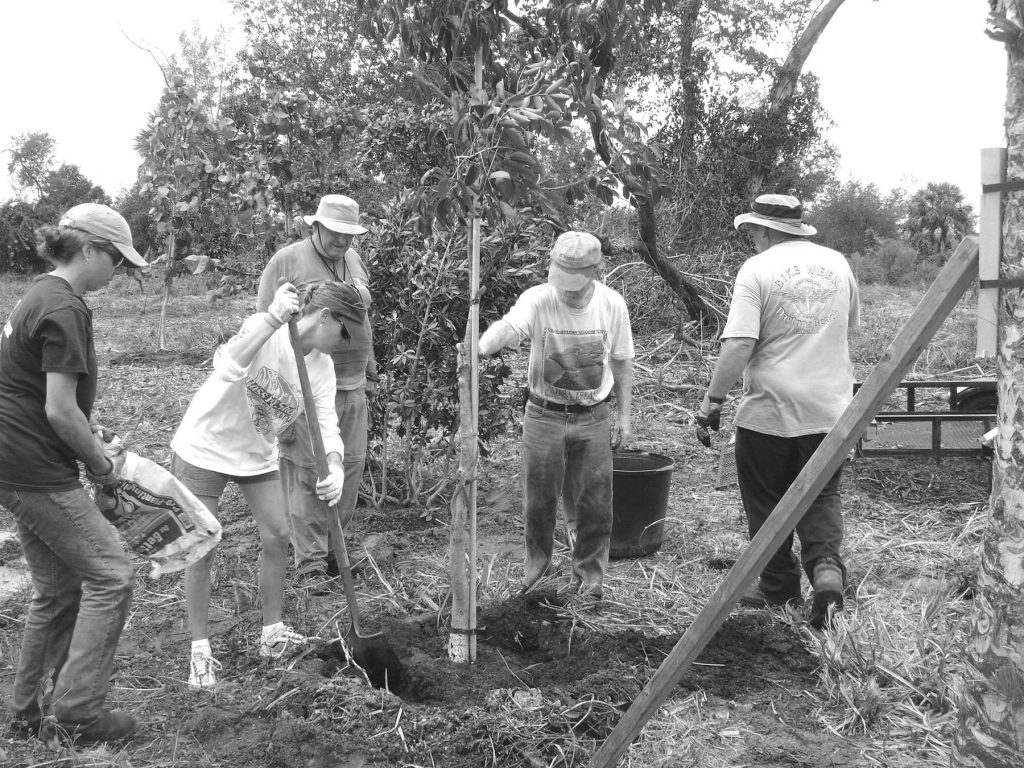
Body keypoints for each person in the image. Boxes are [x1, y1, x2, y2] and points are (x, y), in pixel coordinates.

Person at [0, 204, 149, 743]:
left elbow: (38, 393)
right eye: (115, 258)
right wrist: (103, 466)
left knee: (58, 591)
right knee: (112, 574)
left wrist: (92, 433)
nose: (117, 271)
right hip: (36, 469)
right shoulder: (66, 308)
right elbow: (59, 411)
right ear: (87, 249)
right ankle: (79, 715)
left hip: (16, 460)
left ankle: (26, 716)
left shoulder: (39, 294)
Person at [171, 281, 367, 689]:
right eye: (344, 330)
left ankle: (272, 633)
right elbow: (226, 366)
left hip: (257, 454)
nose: (346, 342)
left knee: (278, 534)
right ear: (326, 316)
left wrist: (335, 467)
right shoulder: (271, 332)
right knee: (201, 546)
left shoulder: (322, 367)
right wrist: (271, 318)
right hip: (206, 446)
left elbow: (326, 426)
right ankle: (200, 651)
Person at [696, 193, 859, 629]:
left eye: (751, 231)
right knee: (820, 495)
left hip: (770, 410)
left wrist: (713, 399)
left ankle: (781, 592)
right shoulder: (838, 263)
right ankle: (826, 570)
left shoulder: (757, 269)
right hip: (831, 409)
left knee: (767, 500)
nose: (750, 238)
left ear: (765, 230)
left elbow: (741, 343)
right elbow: (849, 326)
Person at [477, 231, 634, 598]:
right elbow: (510, 325)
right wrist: (481, 347)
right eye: (560, 278)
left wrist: (625, 418)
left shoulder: (612, 305)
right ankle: (537, 576)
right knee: (539, 501)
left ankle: (590, 579)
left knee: (596, 502)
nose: (565, 290)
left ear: (595, 271)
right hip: (544, 415)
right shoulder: (538, 298)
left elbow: (623, 364)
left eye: (574, 283)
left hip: (593, 415)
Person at [256, 195, 377, 590]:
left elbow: (362, 318)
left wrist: (369, 366)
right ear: (316, 227)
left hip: (351, 381)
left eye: (349, 234)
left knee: (348, 467)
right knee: (309, 472)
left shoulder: (354, 261)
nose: (343, 241)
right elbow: (263, 325)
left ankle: (332, 552)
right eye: (336, 232)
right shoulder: (287, 261)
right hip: (304, 383)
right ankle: (309, 564)